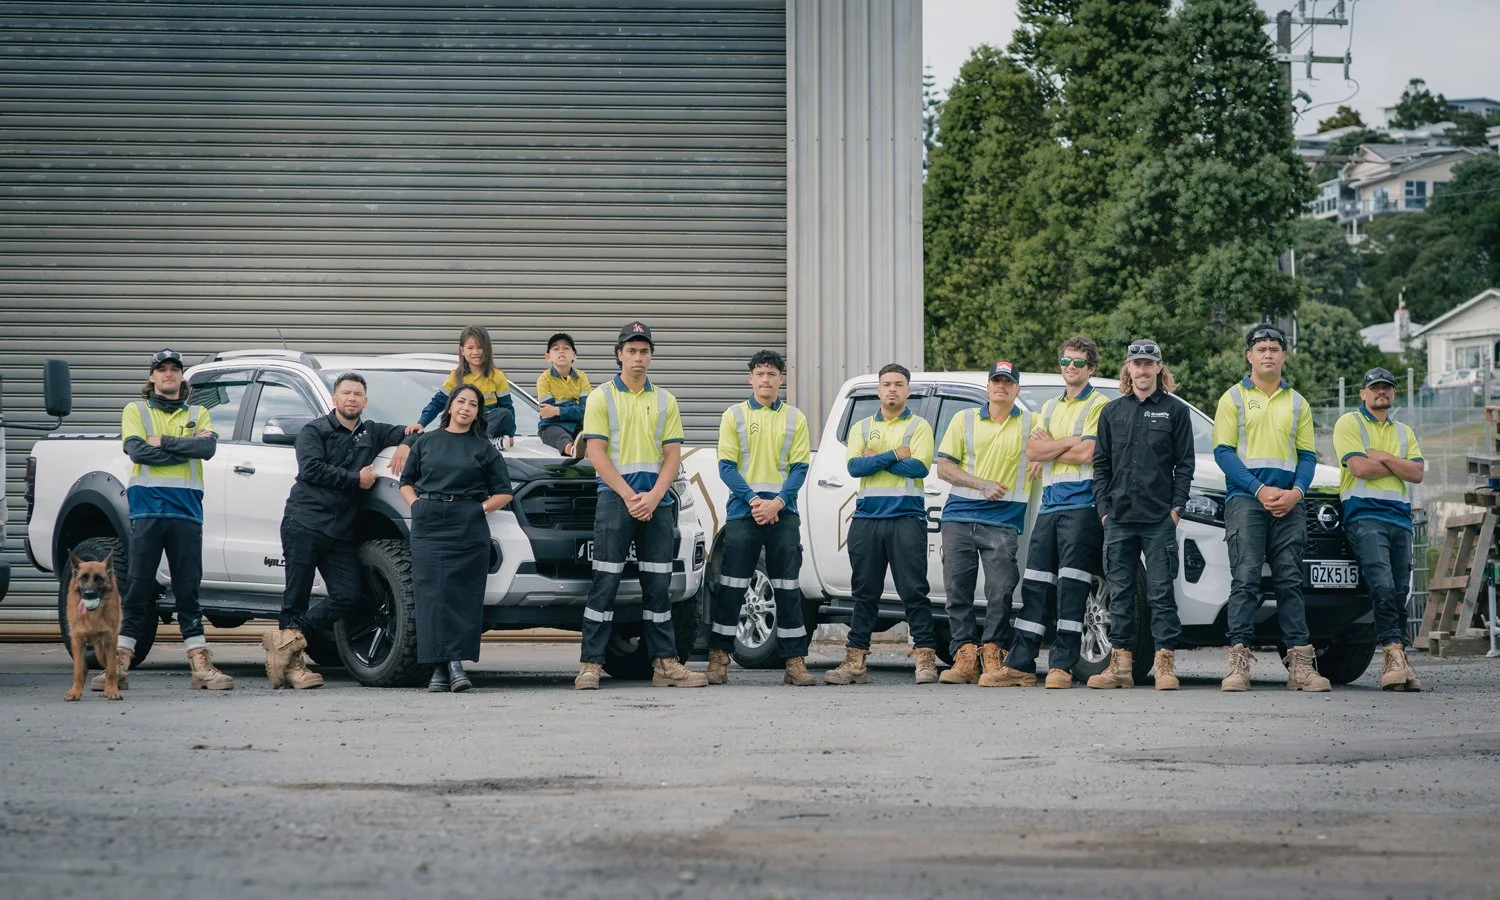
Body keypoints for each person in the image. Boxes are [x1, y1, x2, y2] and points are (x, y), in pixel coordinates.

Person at [574, 321, 706, 690]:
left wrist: (652, 497)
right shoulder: (601, 397)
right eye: (631, 350)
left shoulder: (666, 400)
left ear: (650, 356)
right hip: (616, 501)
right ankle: (590, 664)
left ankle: (664, 664)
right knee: (605, 581)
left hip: (657, 503)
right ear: (619, 355)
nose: (637, 357)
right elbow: (596, 454)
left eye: (643, 351)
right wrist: (630, 496)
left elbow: (672, 456)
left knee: (658, 585)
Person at [261, 372, 413, 690]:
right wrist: (355, 480)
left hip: (339, 533)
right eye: (346, 393)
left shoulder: (372, 432)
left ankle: (288, 641)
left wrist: (406, 445)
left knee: (348, 596)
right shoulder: (313, 431)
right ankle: (293, 667)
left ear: (365, 401)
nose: (352, 398)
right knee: (296, 597)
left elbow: (413, 430)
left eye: (358, 394)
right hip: (303, 524)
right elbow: (312, 469)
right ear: (334, 398)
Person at [102, 349, 230, 690]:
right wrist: (183, 444)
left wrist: (164, 442)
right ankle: (120, 662)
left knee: (188, 588)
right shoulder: (136, 411)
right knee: (140, 586)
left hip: (186, 511)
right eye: (162, 369)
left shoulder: (199, 411)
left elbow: (207, 450)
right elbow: (137, 450)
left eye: (175, 369)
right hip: (148, 511)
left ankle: (200, 664)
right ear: (152, 378)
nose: (169, 374)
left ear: (182, 376)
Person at [1212, 324, 1330, 692]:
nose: (1267, 354)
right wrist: (1259, 490)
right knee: (1245, 580)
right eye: (1260, 348)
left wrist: (1296, 492)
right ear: (1249, 355)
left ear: (1284, 355)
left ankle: (1301, 668)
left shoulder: (1298, 402)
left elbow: (1308, 456)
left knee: (1291, 582)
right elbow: (1224, 453)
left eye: (1274, 348)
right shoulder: (1231, 398)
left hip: (1289, 502)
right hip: (1247, 500)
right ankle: (1238, 664)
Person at [989, 337, 1109, 689]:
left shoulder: (1100, 404)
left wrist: (1051, 448)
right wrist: (1065, 444)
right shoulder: (1050, 406)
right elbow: (1032, 450)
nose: (1070, 367)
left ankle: (1061, 666)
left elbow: (1087, 453)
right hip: (1051, 506)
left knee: (1072, 589)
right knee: (1036, 585)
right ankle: (1021, 664)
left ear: (1090, 368)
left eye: (1077, 362)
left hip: (1082, 507)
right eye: (1065, 361)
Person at [1087, 339, 1195, 691]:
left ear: (1160, 368)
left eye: (1150, 363)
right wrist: (1104, 511)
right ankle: (1121, 665)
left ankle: (1165, 665)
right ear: (1128, 369)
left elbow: (1186, 465)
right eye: (1137, 363)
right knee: (1120, 594)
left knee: (1161, 593)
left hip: (1158, 519)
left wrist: (1176, 509)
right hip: (1118, 518)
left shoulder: (1175, 411)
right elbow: (1100, 464)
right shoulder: (1112, 411)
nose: (1143, 369)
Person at [824, 363, 939, 686]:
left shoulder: (919, 426)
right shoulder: (860, 427)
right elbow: (856, 467)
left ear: (908, 390)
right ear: (878, 389)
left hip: (906, 518)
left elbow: (919, 468)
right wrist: (894, 454)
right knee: (864, 592)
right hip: (867, 519)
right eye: (886, 383)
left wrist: (879, 458)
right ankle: (855, 660)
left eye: (898, 384)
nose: (892, 389)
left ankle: (925, 657)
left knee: (914, 590)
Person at [706, 350, 814, 687]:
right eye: (760, 373)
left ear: (782, 379)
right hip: (744, 512)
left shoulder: (795, 418)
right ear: (750, 378)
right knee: (731, 587)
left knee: (788, 588)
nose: (765, 379)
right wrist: (755, 500)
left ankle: (795, 662)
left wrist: (777, 503)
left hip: (783, 514)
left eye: (772, 373)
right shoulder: (733, 415)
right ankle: (719, 660)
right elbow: (726, 466)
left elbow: (800, 468)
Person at [399, 384, 513, 693]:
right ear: (449, 406)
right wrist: (416, 505)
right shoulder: (426, 442)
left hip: (468, 523)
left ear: (478, 412)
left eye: (473, 404)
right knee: (431, 595)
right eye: (460, 401)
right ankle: (438, 666)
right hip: (429, 522)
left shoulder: (484, 448)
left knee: (463, 596)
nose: (465, 407)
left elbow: (504, 492)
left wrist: (479, 509)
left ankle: (455, 663)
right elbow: (406, 482)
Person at [933, 361, 1033, 686]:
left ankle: (994, 651)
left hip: (1003, 519)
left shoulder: (1032, 423)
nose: (1001, 386)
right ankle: (963, 656)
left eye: (1008, 382)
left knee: (1001, 589)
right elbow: (944, 468)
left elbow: (1048, 452)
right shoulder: (964, 420)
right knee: (957, 591)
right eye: (996, 381)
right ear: (988, 387)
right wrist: (981, 484)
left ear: (1017, 389)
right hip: (959, 515)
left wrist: (1043, 459)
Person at [1333, 367, 1425, 691]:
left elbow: (1416, 473)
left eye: (1386, 387)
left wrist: (1383, 456)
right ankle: (1393, 655)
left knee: (1400, 591)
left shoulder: (1404, 431)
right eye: (1375, 388)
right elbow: (1359, 467)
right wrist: (1397, 464)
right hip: (1364, 516)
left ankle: (1398, 660)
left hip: (1399, 517)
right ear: (1363, 393)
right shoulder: (1349, 423)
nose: (1381, 392)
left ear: (1393, 393)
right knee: (1382, 585)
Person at [409, 325, 517, 446]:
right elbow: (437, 402)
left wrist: (510, 435)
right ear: (462, 351)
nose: (476, 352)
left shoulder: (497, 376)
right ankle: (476, 441)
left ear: (487, 349)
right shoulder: (456, 377)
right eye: (470, 348)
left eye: (480, 347)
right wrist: (421, 423)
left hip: (484, 427)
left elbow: (507, 407)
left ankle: (485, 441)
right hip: (462, 425)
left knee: (503, 413)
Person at [536, 332, 592, 457]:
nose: (561, 352)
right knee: (561, 436)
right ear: (548, 357)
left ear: (574, 355)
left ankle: (591, 452)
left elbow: (585, 411)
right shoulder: (543, 379)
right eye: (556, 349)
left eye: (566, 348)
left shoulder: (581, 377)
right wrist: (574, 407)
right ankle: (572, 450)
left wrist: (556, 410)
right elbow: (547, 414)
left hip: (578, 426)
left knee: (590, 434)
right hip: (551, 427)